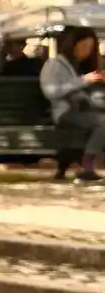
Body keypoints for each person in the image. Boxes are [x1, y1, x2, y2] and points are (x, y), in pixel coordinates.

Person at [39, 27, 105, 184]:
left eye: (90, 48)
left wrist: (91, 99)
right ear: (72, 45)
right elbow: (51, 92)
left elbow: (75, 92)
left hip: (78, 110)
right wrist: (83, 81)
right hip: (64, 113)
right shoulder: (54, 64)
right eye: (84, 46)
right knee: (103, 122)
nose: (86, 52)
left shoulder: (71, 65)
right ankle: (87, 166)